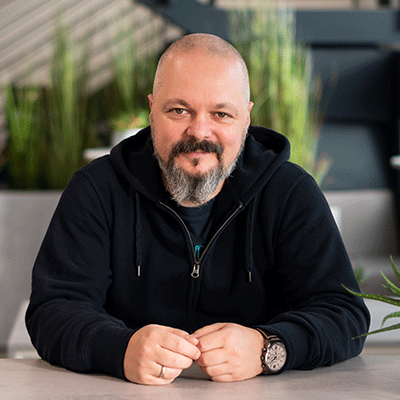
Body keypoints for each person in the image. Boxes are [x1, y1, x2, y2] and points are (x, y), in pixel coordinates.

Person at [26, 33, 370, 385]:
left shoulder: (290, 192)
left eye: (221, 113)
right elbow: (53, 310)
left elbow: (344, 315)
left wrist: (266, 347)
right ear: (152, 111)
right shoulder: (97, 189)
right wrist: (121, 349)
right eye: (179, 110)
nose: (199, 132)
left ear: (246, 118)